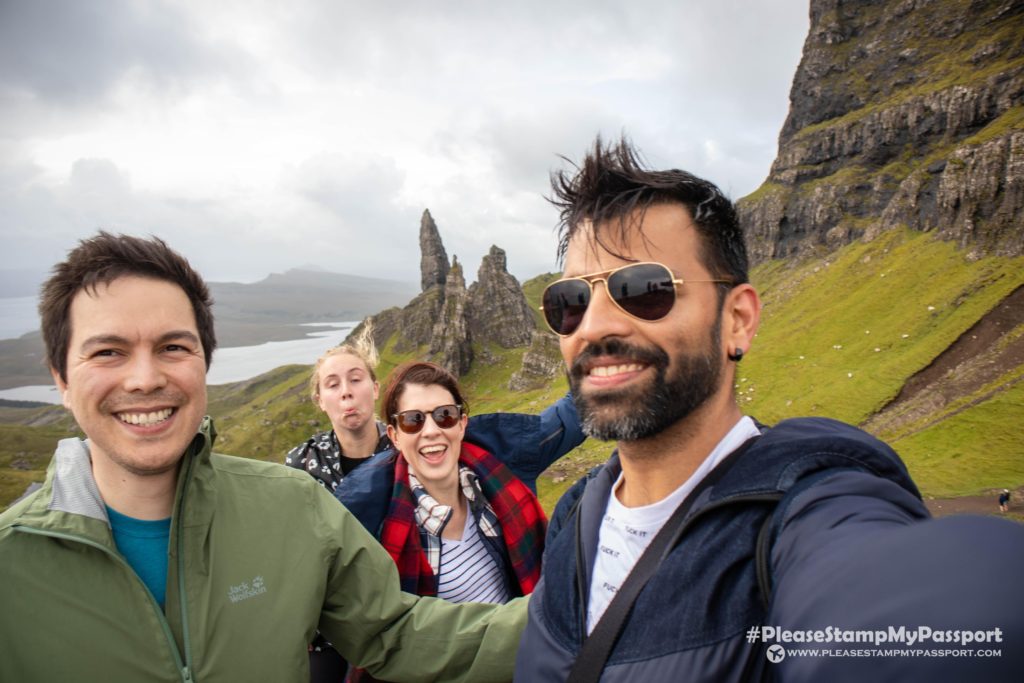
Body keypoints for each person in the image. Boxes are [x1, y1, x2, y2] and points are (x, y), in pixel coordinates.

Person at [514, 137, 1024, 681]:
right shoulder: (575, 514)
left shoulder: (805, 512)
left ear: (738, 320)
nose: (594, 326)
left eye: (644, 289)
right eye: (570, 301)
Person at [0, 231, 527, 683]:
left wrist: (576, 614)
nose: (145, 378)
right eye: (108, 351)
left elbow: (393, 633)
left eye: (174, 347)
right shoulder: (13, 566)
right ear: (62, 378)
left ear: (204, 362)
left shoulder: (292, 506)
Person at [291, 333, 583, 681]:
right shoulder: (368, 516)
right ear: (395, 435)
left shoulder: (500, 471)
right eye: (414, 420)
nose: (431, 430)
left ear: (462, 422)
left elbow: (569, 418)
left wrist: (587, 340)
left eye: (444, 415)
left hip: (532, 664)